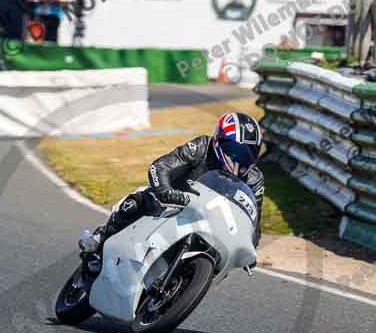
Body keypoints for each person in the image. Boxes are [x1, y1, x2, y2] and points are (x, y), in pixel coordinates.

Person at [79, 112, 265, 270]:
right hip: (172, 202)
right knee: (137, 201)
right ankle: (100, 239)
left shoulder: (255, 180)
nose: (240, 158)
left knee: (220, 261)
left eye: (249, 154)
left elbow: (253, 223)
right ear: (218, 140)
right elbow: (160, 166)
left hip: (212, 224)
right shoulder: (201, 147)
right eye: (234, 150)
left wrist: (250, 250)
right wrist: (165, 190)